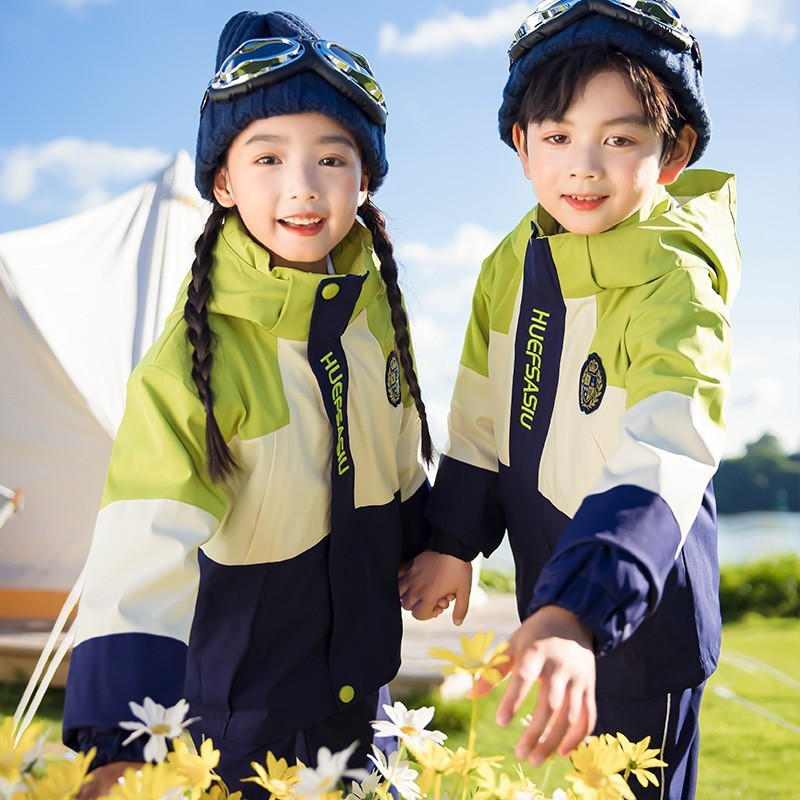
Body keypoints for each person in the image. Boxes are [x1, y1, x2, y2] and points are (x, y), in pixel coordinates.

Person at [63, 10, 436, 798]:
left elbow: (399, 477)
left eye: (331, 158)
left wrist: (440, 544)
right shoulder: (193, 364)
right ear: (224, 181)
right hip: (236, 741)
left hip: (361, 728)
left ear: (363, 178)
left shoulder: (376, 329)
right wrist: (124, 741)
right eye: (267, 157)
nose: (302, 186)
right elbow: (144, 549)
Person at [398, 2, 739, 798]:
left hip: (634, 609)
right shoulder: (508, 262)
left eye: (620, 139)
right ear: (521, 147)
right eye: (557, 137)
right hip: (551, 602)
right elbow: (482, 422)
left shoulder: (676, 278)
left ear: (673, 151)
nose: (583, 166)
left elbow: (667, 444)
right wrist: (453, 539)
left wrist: (577, 610)